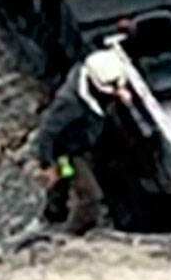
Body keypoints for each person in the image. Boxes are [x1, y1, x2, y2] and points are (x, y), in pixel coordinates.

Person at [28, 48, 135, 232]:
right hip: (68, 150)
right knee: (91, 197)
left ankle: (54, 212)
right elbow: (46, 133)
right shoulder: (69, 104)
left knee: (63, 179)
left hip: (85, 141)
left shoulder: (93, 78)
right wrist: (46, 164)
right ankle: (74, 234)